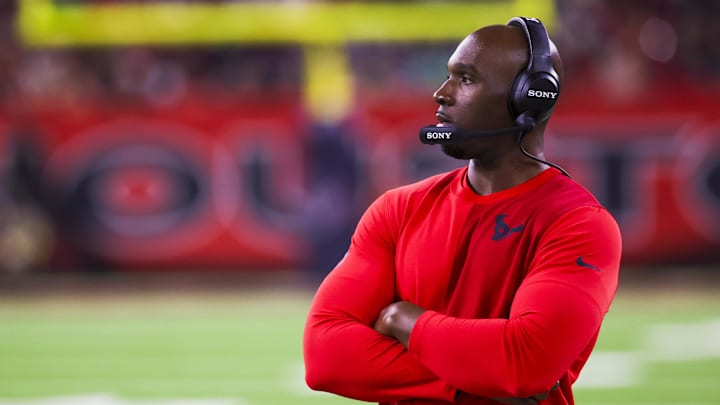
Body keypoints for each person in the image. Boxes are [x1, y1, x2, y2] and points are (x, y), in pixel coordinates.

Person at [303, 16, 622, 405]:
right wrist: (477, 386)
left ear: (529, 97)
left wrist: (404, 320)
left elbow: (527, 364)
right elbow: (325, 357)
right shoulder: (397, 209)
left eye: (466, 79)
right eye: (449, 76)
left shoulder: (579, 224)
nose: (441, 93)